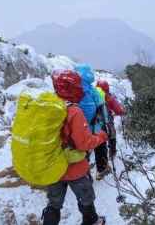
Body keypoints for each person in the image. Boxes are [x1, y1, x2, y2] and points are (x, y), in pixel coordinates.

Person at [41, 70, 107, 225]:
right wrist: (101, 137)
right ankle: (92, 221)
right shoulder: (74, 111)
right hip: (74, 167)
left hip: (53, 166)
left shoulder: (48, 107)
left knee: (53, 204)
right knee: (86, 198)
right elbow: (84, 143)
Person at [74, 64, 111, 180]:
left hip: (78, 128)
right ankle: (102, 169)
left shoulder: (72, 90)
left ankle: (83, 175)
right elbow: (102, 107)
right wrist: (106, 123)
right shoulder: (92, 90)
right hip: (95, 126)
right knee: (100, 145)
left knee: (82, 151)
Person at [96, 79, 126, 173]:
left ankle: (101, 164)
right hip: (107, 122)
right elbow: (118, 110)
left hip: (95, 123)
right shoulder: (109, 97)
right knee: (112, 135)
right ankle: (112, 152)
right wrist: (122, 112)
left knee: (99, 143)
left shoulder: (92, 95)